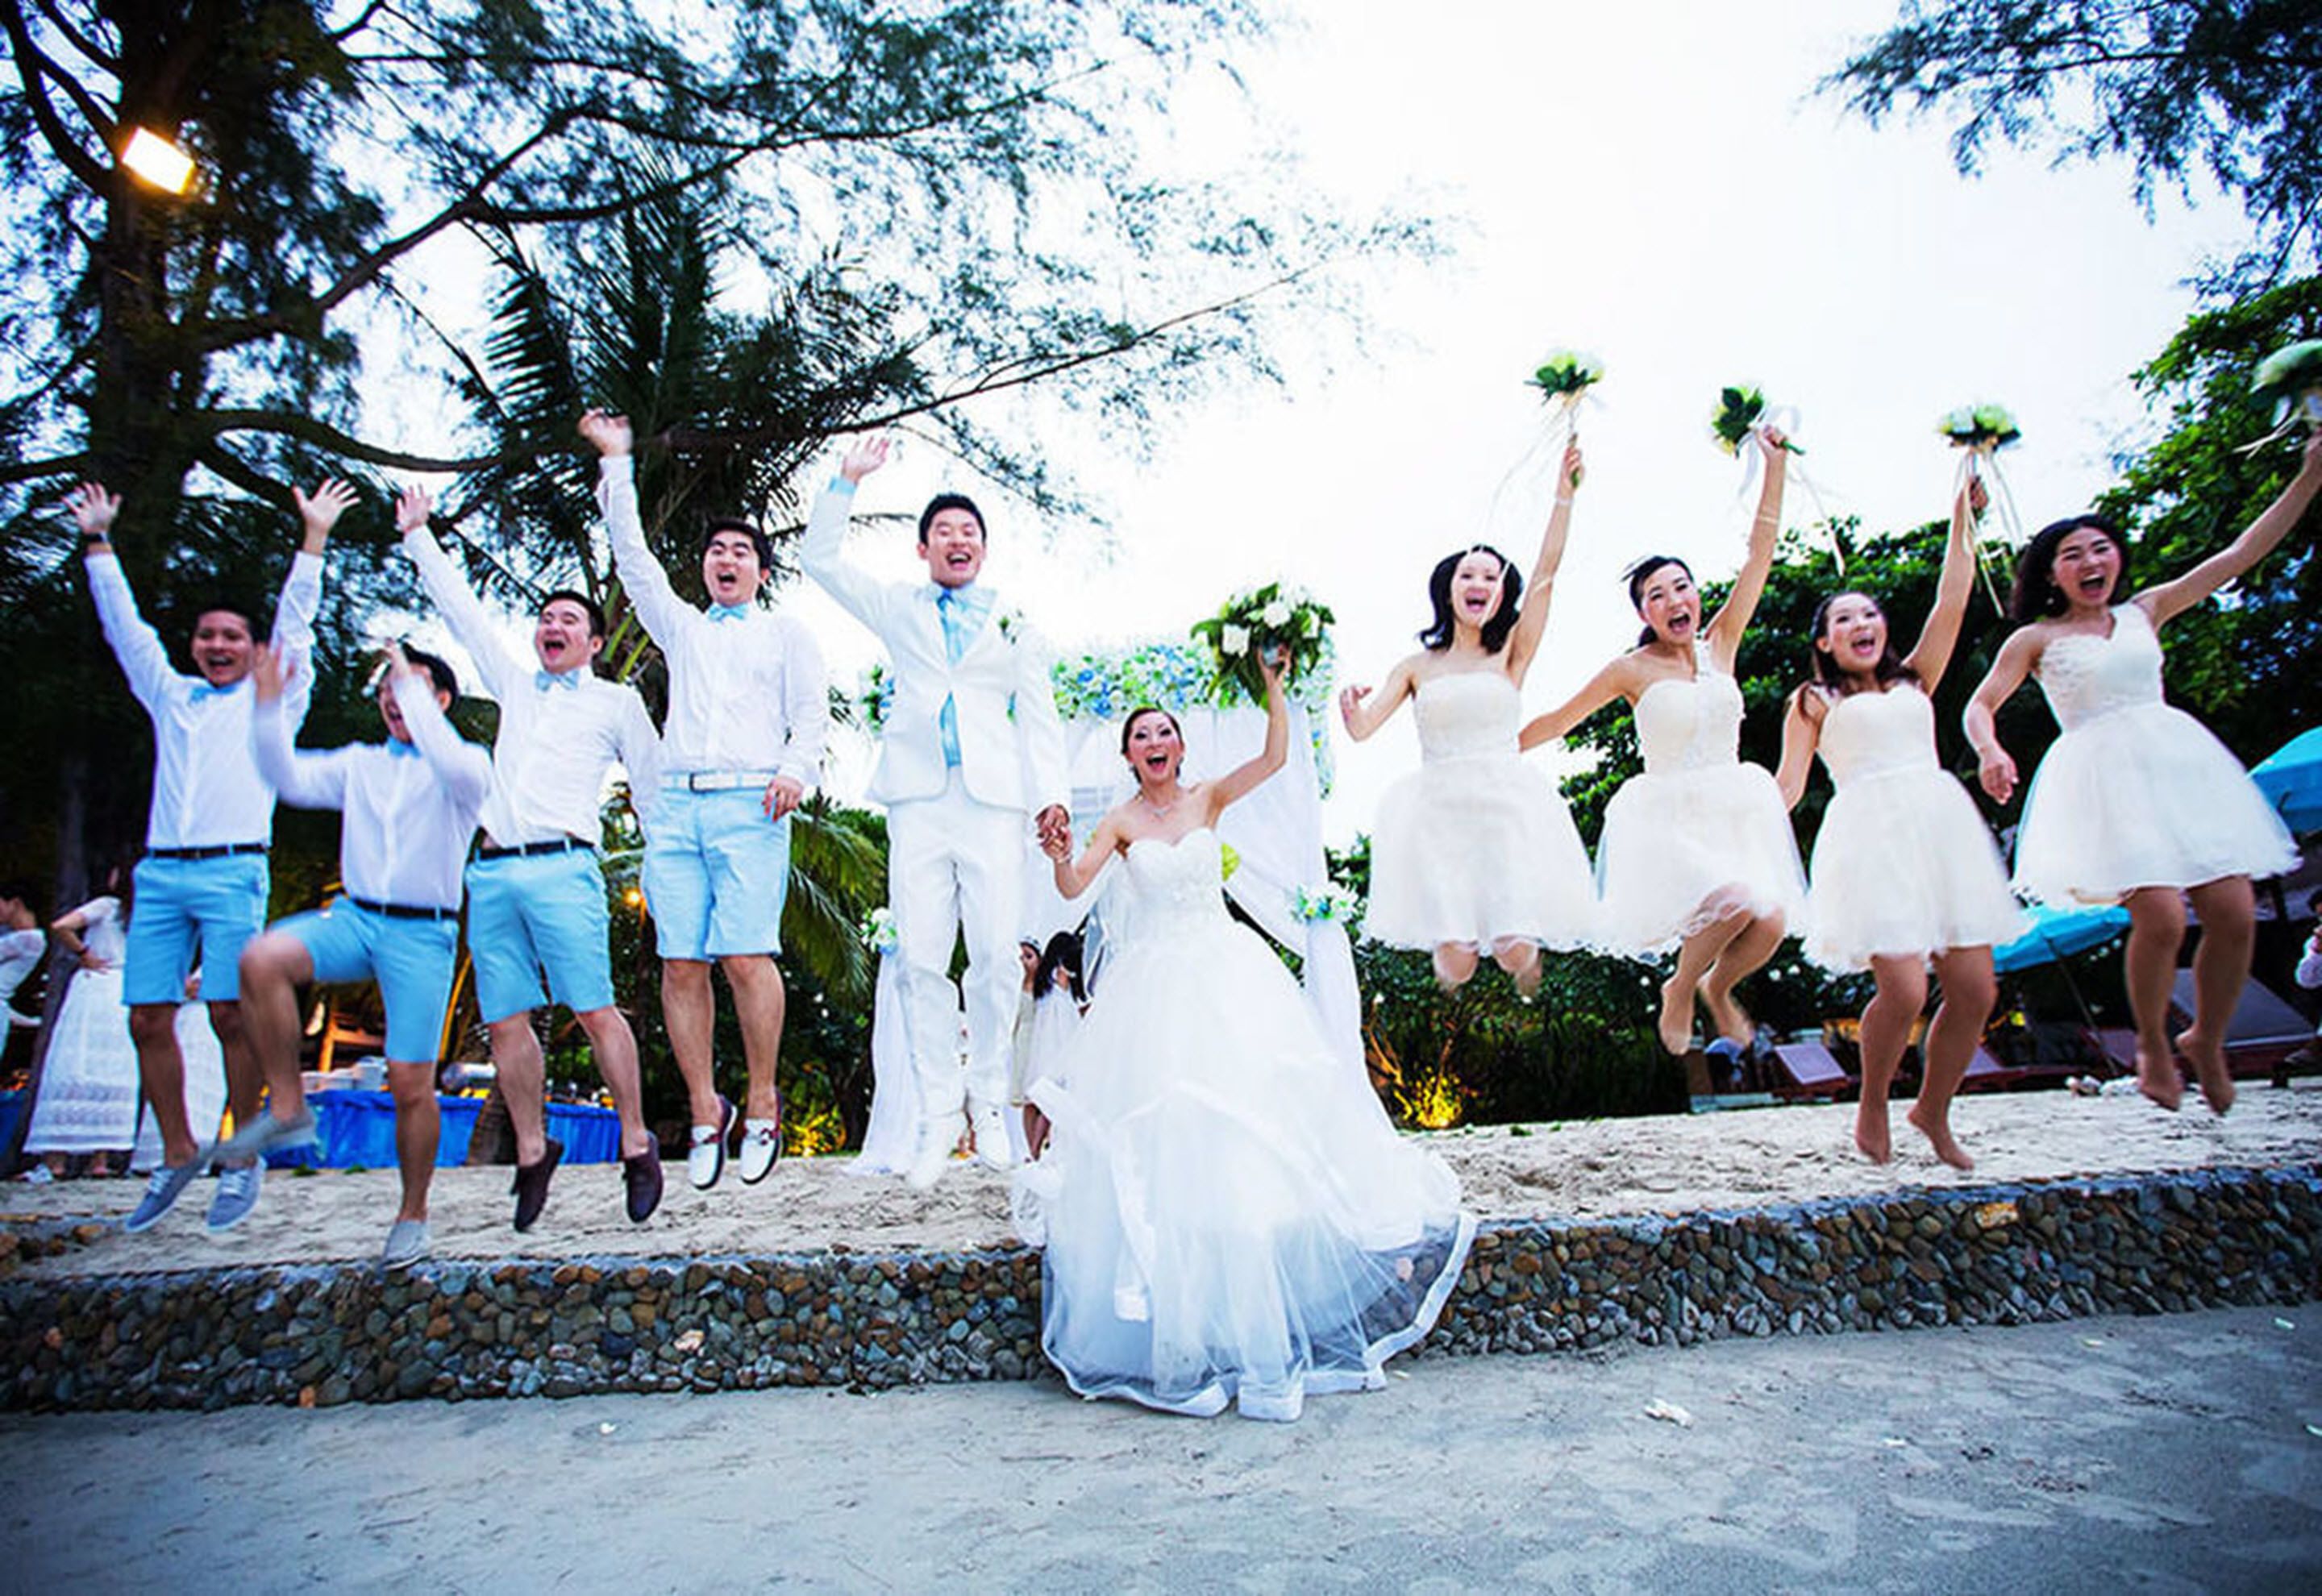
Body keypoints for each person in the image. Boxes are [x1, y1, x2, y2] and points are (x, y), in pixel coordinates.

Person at [1019, 652, 1475, 1422]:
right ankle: (1184, 1324)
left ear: (1180, 747)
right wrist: (1062, 853)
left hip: (1227, 972)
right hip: (1153, 988)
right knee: (1170, 1136)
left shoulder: (1208, 798)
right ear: (1129, 755)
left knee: (1253, 1125)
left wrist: (1272, 683)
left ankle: (1265, 1306)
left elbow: (1275, 756)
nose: (1155, 742)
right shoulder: (1122, 822)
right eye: (1142, 736)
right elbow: (1073, 888)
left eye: (1165, 732)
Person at [1964, 430, 2321, 1114]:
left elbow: (2240, 554)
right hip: (2101, 776)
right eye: (2073, 555)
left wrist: (2308, 476)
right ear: (2051, 574)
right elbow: (1981, 706)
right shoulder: (2034, 639)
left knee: (2233, 910)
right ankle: (2154, 1044)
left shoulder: (2145, 611)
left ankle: (2205, 1038)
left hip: (2177, 764)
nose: (2091, 562)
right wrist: (1990, 750)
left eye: (2100, 548)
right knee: (2157, 915)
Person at [72, 477, 347, 1232]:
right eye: (208, 637)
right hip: (162, 873)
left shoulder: (274, 699)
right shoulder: (173, 696)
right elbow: (125, 629)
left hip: (233, 869)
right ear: (194, 647)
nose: (219, 646)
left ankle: (241, 1157)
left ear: (255, 651)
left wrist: (313, 538)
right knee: (148, 1021)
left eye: (233, 637)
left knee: (231, 1013)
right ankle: (175, 1152)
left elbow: (297, 622)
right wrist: (98, 541)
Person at [799, 433, 1070, 1188]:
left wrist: (1049, 797)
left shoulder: (1014, 622)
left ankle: (989, 1106)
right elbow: (819, 563)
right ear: (923, 548)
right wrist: (845, 482)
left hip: (991, 803)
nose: (959, 540)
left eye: (970, 533)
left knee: (990, 957)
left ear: (983, 549)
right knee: (920, 956)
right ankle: (934, 1118)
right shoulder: (898, 607)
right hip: (918, 797)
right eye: (945, 532)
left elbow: (1040, 718)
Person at [397, 486, 666, 1230]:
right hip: (493, 872)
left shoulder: (615, 703)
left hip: (565, 867)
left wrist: (658, 857)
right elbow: (462, 613)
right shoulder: (515, 683)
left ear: (593, 640)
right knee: (508, 1022)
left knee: (595, 1009)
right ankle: (529, 1149)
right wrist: (419, 536)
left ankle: (637, 1145)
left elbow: (649, 783)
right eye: (546, 618)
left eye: (569, 620)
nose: (553, 626)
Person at [581, 410, 830, 1191]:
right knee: (679, 963)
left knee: (744, 956)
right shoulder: (683, 630)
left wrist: (796, 772)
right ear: (704, 567)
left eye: (743, 552)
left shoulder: (785, 634)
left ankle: (761, 1103)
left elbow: (811, 716)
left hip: (752, 805)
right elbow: (630, 557)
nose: (728, 559)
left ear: (761, 570)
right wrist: (618, 462)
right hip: (676, 810)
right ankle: (702, 1109)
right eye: (717, 551)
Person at [1519, 429, 1802, 1059]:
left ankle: (1715, 988)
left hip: (1733, 810)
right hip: (1669, 819)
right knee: (1736, 901)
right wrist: (1489, 751)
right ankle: (1679, 987)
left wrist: (1774, 466)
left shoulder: (1721, 644)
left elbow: (1761, 553)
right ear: (1643, 613)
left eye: (1682, 587)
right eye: (1657, 595)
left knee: (1773, 922)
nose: (1675, 600)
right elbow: (1560, 720)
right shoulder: (1631, 670)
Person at [216, 642, 492, 1266]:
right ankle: (286, 1105)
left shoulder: (465, 766)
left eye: (413, 686)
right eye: (389, 689)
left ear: (439, 700)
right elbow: (284, 776)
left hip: (423, 934)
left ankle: (413, 1210)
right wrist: (265, 704)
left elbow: (447, 753)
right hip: (355, 918)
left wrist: (410, 681)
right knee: (260, 959)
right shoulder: (361, 764)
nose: (396, 696)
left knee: (409, 1083)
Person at [1774, 474, 2020, 1170]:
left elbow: (1952, 598)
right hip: (1869, 838)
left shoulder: (1917, 680)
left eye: (1870, 616)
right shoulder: (1811, 700)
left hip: (1941, 829)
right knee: (1906, 987)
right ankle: (1875, 1099)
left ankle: (1933, 1109)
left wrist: (1960, 519)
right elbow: (1790, 784)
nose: (1862, 626)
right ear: (1824, 641)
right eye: (1845, 620)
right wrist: (1742, 821)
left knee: (1977, 989)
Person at [1338, 441, 1595, 991]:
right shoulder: (1416, 666)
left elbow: (1548, 572)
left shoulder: (1512, 654)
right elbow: (1364, 730)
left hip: (1505, 805)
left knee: (1514, 951)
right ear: (1448, 589)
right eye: (1467, 576)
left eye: (1491, 578)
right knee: (1456, 961)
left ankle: (1527, 964)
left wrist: (1563, 495)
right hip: (1439, 812)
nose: (1478, 585)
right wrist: (1351, 709)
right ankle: (1453, 958)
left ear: (1502, 595)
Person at [20, 867, 142, 1179]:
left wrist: (84, 952)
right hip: (124, 989)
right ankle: (99, 1159)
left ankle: (55, 1160)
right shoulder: (144, 914)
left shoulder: (107, 905)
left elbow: (62, 926)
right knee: (112, 1069)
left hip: (97, 984)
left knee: (75, 1062)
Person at [1014, 929, 1087, 1159]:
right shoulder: (1050, 981)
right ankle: (1034, 1150)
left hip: (1060, 1044)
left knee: (1047, 1100)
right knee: (1042, 1099)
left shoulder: (1064, 989)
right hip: (1049, 1045)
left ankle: (1036, 1150)